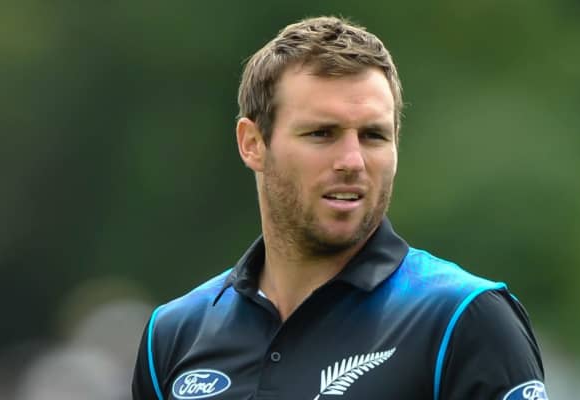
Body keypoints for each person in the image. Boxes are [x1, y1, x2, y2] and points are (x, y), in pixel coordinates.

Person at [132, 16, 548, 400]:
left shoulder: (464, 319)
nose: (352, 161)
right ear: (252, 144)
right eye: (322, 133)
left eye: (373, 136)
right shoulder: (174, 335)